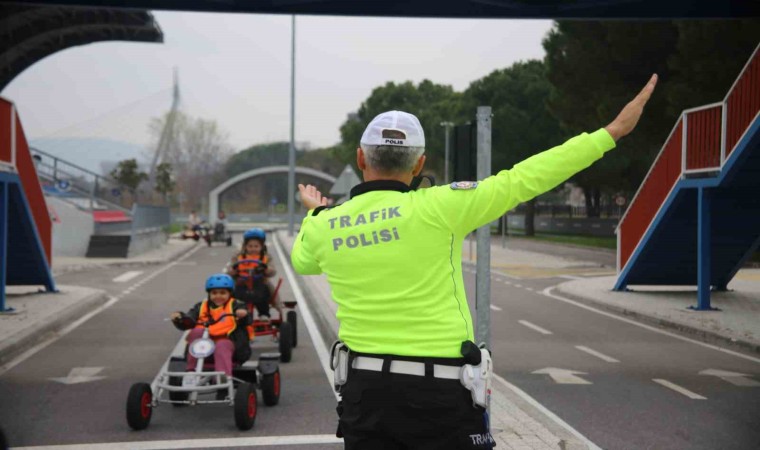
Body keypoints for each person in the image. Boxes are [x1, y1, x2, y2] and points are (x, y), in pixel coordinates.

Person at [291, 75, 658, 449]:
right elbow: (525, 178)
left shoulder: (324, 225)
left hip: (364, 395)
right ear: (419, 164)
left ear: (360, 158)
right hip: (438, 394)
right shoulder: (443, 206)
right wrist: (610, 133)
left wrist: (316, 212)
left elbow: (304, 263)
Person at [170, 273, 252, 384]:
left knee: (222, 344)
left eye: (222, 293)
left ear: (230, 293)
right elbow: (189, 319)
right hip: (203, 349)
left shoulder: (236, 305)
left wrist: (242, 314)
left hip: (231, 347)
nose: (218, 296)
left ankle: (222, 377)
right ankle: (190, 372)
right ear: (209, 294)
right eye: (214, 293)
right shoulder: (200, 307)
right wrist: (180, 318)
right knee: (197, 331)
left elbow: (247, 318)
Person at [227, 228, 277, 322]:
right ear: (245, 246)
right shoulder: (238, 256)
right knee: (231, 291)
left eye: (256, 246)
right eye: (250, 246)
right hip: (241, 281)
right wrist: (233, 270)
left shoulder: (266, 257)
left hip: (260, 281)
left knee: (266, 292)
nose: (253, 249)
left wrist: (266, 269)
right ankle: (232, 312)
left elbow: (272, 270)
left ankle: (265, 313)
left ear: (262, 246)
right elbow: (230, 269)